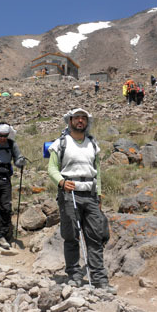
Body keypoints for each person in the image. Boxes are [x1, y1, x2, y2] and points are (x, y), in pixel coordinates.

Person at [47, 108, 116, 294]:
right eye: (76, 118)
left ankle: (100, 279)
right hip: (69, 194)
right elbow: (52, 168)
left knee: (95, 236)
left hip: (90, 194)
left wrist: (99, 194)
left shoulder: (92, 144)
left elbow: (98, 171)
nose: (80, 121)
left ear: (87, 122)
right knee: (71, 236)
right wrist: (61, 182)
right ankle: (74, 275)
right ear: (69, 121)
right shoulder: (60, 143)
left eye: (83, 118)